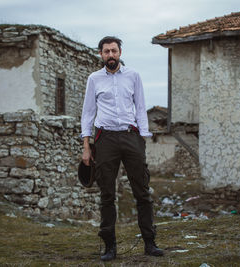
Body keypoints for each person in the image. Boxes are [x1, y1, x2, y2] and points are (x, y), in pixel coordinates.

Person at [80, 36, 164, 261]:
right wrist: (86, 147)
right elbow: (88, 113)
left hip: (130, 137)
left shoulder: (133, 76)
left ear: (120, 53)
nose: (110, 55)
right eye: (106, 51)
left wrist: (142, 139)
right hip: (105, 139)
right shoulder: (94, 79)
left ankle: (150, 242)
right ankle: (109, 247)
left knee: (142, 192)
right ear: (101, 54)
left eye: (114, 51)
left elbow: (140, 107)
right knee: (107, 193)